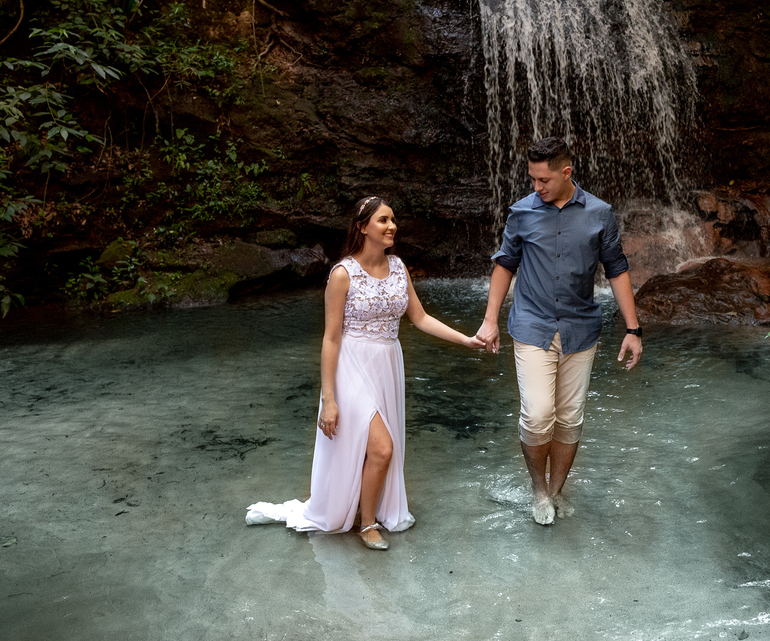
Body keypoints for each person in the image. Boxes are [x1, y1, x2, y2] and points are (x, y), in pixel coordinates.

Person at [247, 196, 484, 550]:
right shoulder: (343, 274)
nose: (392, 226)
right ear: (362, 227)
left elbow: (420, 318)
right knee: (383, 448)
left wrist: (466, 340)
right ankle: (368, 524)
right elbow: (330, 338)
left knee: (374, 449)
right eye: (383, 220)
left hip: (387, 364)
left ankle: (362, 509)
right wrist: (329, 399)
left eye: (393, 220)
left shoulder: (399, 267)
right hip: (351, 366)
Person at [475, 138, 643, 525]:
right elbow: (505, 264)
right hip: (532, 325)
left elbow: (616, 269)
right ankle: (538, 490)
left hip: (581, 328)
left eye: (544, 180)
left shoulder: (600, 213)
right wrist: (490, 319)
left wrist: (633, 329)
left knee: (569, 418)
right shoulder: (521, 212)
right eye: (532, 179)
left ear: (566, 173)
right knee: (538, 416)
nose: (537, 187)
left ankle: (556, 491)